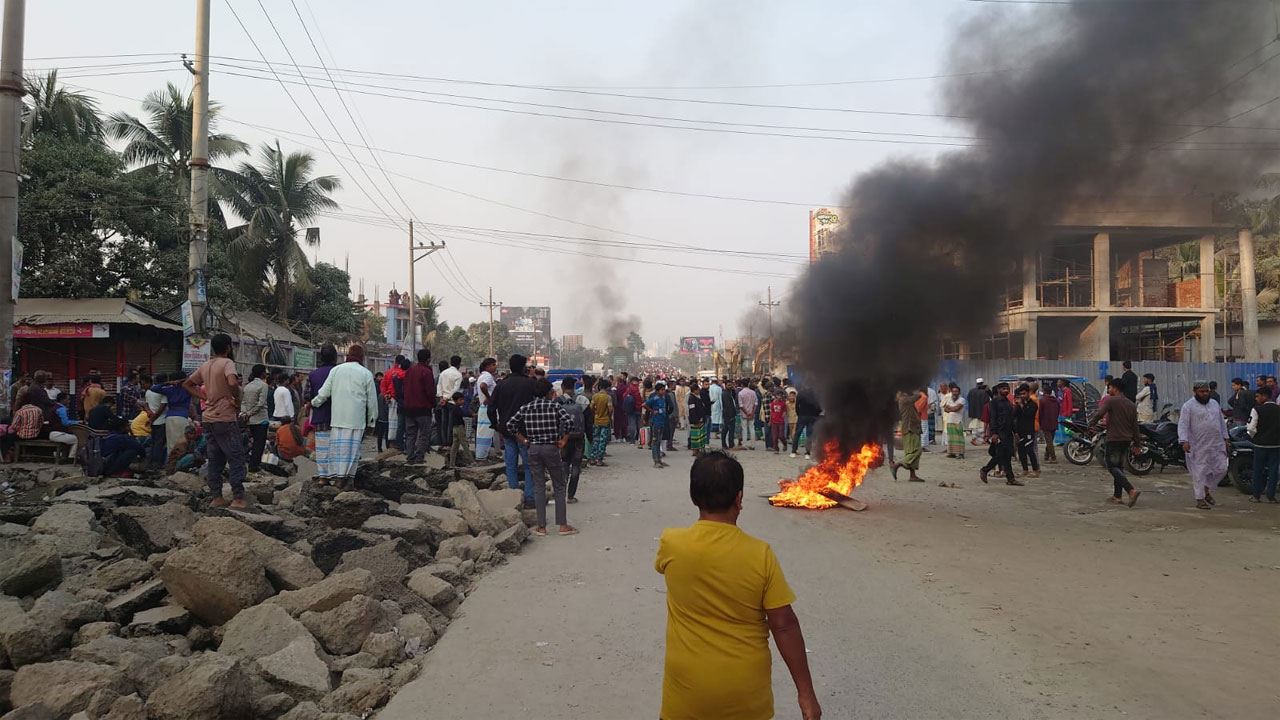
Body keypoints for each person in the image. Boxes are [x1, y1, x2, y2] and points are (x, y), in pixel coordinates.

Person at [655, 452, 821, 720]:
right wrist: (806, 693)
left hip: (685, 698)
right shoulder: (760, 555)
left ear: (693, 496)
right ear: (739, 498)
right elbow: (785, 625)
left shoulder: (671, 544)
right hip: (745, 697)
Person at [506, 377, 577, 536]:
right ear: (549, 392)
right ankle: (562, 525)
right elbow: (569, 423)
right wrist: (563, 440)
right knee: (559, 484)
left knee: (538, 486)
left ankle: (541, 526)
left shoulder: (526, 408)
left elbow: (510, 425)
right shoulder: (555, 406)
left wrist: (524, 440)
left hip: (533, 448)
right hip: (551, 447)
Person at [184, 333, 247, 508]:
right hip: (225, 417)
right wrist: (236, 399)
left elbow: (187, 384)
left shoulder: (206, 364)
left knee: (215, 458)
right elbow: (233, 383)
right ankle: (238, 498)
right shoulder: (227, 363)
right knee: (235, 456)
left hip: (208, 417)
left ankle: (217, 497)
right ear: (228, 347)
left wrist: (204, 396)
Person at [309, 345, 379, 490]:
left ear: (347, 356)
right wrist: (372, 422)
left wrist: (313, 403)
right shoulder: (366, 373)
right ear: (362, 358)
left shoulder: (336, 371)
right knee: (353, 451)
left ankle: (339, 477)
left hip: (338, 418)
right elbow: (372, 400)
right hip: (356, 419)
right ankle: (348, 480)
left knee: (339, 450)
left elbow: (323, 393)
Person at [489, 355, 538, 509]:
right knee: (529, 464)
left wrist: (495, 425)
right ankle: (530, 498)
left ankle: (513, 496)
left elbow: (491, 407)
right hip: (526, 430)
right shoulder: (530, 384)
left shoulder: (501, 385)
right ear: (524, 367)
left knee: (510, 463)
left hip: (507, 429)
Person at [1178, 380, 1229, 510]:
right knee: (1199, 472)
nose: (1205, 394)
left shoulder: (1214, 403)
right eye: (1202, 391)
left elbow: (1221, 421)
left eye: (1207, 391)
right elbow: (1183, 424)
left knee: (1221, 468)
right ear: (1195, 391)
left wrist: (1226, 437)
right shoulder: (1188, 406)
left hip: (1216, 443)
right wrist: (1184, 441)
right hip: (1197, 444)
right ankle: (1200, 499)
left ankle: (1206, 490)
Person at [1091, 378, 1142, 507]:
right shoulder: (1130, 404)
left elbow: (1099, 413)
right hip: (1126, 440)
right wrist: (1137, 443)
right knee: (1119, 467)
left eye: (1110, 387)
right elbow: (1135, 426)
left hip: (1114, 439)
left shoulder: (1111, 400)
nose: (1108, 390)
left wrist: (1090, 424)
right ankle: (1117, 496)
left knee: (1111, 466)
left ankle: (1131, 490)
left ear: (1115, 388)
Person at [401, 348, 437, 466]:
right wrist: (433, 404)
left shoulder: (410, 371)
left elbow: (404, 389)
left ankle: (410, 457)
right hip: (423, 408)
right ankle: (419, 458)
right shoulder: (426, 372)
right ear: (428, 359)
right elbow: (430, 391)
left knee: (410, 434)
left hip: (409, 408)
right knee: (423, 435)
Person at [980, 382, 1020, 486]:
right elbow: (993, 418)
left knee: (1007, 456)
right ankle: (985, 470)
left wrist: (1015, 432)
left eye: (1007, 389)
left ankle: (1010, 479)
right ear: (998, 390)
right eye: (1003, 389)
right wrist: (994, 433)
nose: (1006, 390)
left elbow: (1011, 419)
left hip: (1008, 432)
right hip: (999, 432)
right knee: (1001, 455)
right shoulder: (994, 402)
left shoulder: (1008, 402)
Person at [1246, 385, 1280, 503]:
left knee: (1258, 470)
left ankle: (1256, 495)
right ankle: (1271, 496)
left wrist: (1255, 437)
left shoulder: (1257, 409)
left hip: (1261, 445)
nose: (1256, 399)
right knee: (1273, 471)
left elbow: (1251, 428)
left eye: (1257, 396)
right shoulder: (1278, 409)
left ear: (1264, 396)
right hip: (1276, 445)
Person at [556, 378, 586, 500]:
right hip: (578, 438)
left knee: (564, 463)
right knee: (576, 466)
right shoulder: (581, 401)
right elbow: (588, 420)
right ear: (574, 387)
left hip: (563, 438)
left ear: (562, 387)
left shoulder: (557, 402)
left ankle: (561, 492)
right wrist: (589, 436)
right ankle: (571, 495)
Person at [241, 364, 271, 473]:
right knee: (259, 443)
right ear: (262, 373)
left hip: (251, 420)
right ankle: (254, 466)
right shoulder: (263, 385)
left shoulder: (248, 386)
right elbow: (261, 404)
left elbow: (243, 402)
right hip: (261, 419)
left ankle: (252, 464)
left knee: (254, 442)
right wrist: (249, 413)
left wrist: (245, 413)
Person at [889, 390, 924, 482]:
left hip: (913, 428)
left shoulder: (905, 400)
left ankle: (912, 475)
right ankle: (896, 465)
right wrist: (914, 390)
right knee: (916, 451)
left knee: (910, 452)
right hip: (910, 429)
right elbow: (918, 395)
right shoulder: (904, 400)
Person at [380, 355, 408, 452]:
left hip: (390, 400)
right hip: (401, 401)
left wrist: (385, 395)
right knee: (401, 424)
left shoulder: (388, 372)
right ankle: (399, 444)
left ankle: (391, 445)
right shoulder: (404, 373)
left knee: (391, 423)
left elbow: (383, 385)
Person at [1013, 383, 1040, 478]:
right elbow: (1014, 415)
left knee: (1030, 450)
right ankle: (1025, 469)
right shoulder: (1020, 404)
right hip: (1020, 431)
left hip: (1029, 430)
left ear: (1028, 392)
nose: (1022, 396)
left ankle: (1036, 469)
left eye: (1024, 393)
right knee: (1021, 451)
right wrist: (1016, 405)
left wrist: (1021, 405)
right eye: (1021, 394)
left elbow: (1028, 415)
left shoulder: (1033, 404)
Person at [437, 355, 464, 447]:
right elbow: (455, 390)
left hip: (443, 400)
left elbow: (439, 386)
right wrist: (447, 398)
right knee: (450, 423)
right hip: (452, 401)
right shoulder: (458, 375)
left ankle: (444, 442)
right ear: (459, 364)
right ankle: (449, 443)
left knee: (444, 422)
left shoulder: (443, 373)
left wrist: (441, 398)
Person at [474, 358, 498, 460]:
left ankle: (483, 454)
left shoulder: (482, 376)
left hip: (483, 408)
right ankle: (482, 456)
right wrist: (489, 398)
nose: (495, 367)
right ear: (487, 366)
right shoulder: (487, 376)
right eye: (493, 365)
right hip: (488, 407)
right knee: (487, 432)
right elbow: (483, 386)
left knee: (484, 432)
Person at [144, 373, 168, 470]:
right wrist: (153, 417)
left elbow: (146, 404)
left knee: (154, 443)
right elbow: (162, 407)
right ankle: (156, 464)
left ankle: (151, 462)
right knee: (159, 444)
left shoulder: (148, 392)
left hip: (153, 422)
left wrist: (149, 414)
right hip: (161, 421)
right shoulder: (163, 392)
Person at [790, 386, 821, 460]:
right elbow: (819, 406)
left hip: (802, 416)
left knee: (797, 434)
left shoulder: (801, 393)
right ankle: (807, 453)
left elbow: (797, 405)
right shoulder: (816, 394)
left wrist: (799, 413)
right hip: (812, 416)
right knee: (809, 435)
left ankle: (793, 451)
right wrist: (816, 414)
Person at [588, 378, 613, 467]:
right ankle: (599, 460)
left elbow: (591, 407)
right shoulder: (608, 397)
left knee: (595, 440)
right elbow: (610, 410)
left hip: (596, 420)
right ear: (607, 388)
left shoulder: (595, 396)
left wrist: (596, 412)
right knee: (603, 440)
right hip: (605, 421)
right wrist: (610, 419)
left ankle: (592, 458)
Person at [647, 382, 670, 468]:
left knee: (659, 441)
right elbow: (645, 405)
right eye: (661, 390)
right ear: (657, 391)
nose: (663, 391)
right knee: (655, 442)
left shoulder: (663, 398)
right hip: (656, 422)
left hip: (662, 421)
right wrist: (652, 411)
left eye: (664, 389)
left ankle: (659, 459)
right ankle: (655, 460)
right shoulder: (654, 398)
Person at [942, 383, 967, 459]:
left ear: (959, 392)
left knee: (959, 437)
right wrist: (951, 408)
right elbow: (945, 409)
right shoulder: (950, 399)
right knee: (951, 438)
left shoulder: (962, 400)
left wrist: (951, 408)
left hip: (958, 421)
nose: (955, 393)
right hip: (950, 421)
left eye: (956, 391)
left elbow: (956, 408)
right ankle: (952, 453)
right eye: (953, 391)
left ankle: (960, 453)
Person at [446, 391, 470, 469]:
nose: (463, 401)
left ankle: (452, 463)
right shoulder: (457, 409)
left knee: (455, 446)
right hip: (459, 428)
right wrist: (472, 415)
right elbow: (464, 414)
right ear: (456, 401)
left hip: (454, 428)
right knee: (465, 444)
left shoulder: (452, 409)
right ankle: (471, 461)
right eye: (461, 400)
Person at [1038, 388, 1060, 464]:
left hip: (1045, 423)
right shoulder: (1056, 401)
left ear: (1044, 392)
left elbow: (1040, 413)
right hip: (1054, 422)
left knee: (1049, 441)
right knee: (1050, 440)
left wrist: (1039, 422)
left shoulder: (1042, 401)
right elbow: (1058, 411)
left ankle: (1053, 457)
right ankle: (1046, 456)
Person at [687, 381, 708, 457]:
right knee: (695, 437)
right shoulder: (691, 398)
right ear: (695, 390)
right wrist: (696, 421)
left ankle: (699, 450)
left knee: (700, 436)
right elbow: (692, 411)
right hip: (696, 421)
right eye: (698, 390)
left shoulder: (696, 398)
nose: (699, 391)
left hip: (700, 419)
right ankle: (695, 451)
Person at [737, 380, 758, 451]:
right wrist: (752, 413)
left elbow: (741, 405)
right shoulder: (753, 392)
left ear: (742, 385)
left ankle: (744, 444)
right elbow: (755, 404)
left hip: (744, 414)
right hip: (752, 413)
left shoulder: (741, 393)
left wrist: (746, 413)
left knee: (744, 429)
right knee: (752, 428)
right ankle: (753, 445)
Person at [967, 379, 989, 445]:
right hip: (981, 412)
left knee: (974, 427)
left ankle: (974, 438)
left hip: (973, 412)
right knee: (982, 427)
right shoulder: (984, 392)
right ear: (982, 383)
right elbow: (987, 402)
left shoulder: (971, 391)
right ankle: (982, 440)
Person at [373, 372, 390, 453]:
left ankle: (379, 448)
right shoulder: (386, 396)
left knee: (380, 434)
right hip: (386, 418)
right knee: (386, 434)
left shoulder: (380, 395)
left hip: (380, 417)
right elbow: (386, 408)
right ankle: (387, 447)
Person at [719, 379, 738, 450]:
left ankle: (729, 444)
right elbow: (728, 406)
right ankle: (729, 444)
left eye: (731, 385)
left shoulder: (730, 392)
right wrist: (731, 416)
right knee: (727, 430)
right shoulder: (725, 394)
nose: (730, 386)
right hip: (728, 415)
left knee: (727, 429)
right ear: (725, 385)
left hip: (730, 414)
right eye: (729, 385)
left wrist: (733, 390)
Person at [768, 389, 787, 454]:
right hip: (774, 421)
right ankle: (776, 449)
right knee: (775, 436)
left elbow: (784, 411)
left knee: (781, 435)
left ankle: (785, 443)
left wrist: (783, 416)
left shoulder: (783, 404)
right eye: (778, 395)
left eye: (781, 396)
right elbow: (771, 412)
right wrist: (770, 421)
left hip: (781, 421)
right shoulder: (773, 403)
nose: (779, 397)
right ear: (776, 396)